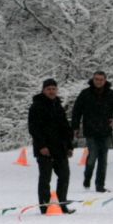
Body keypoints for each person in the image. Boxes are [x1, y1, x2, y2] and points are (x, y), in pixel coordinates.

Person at [71, 70, 113, 193]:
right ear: (93, 80)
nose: (99, 82)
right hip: (90, 130)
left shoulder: (111, 94)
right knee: (92, 157)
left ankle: (100, 185)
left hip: (106, 130)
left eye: (101, 79)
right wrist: (75, 127)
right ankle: (87, 177)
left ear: (105, 81)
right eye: (96, 79)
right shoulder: (85, 94)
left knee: (103, 159)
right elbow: (76, 111)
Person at [28, 79, 75, 214]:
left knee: (64, 176)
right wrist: (42, 145)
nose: (51, 91)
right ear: (43, 90)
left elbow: (65, 128)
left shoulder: (58, 106)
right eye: (48, 89)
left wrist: (70, 146)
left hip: (60, 148)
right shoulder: (36, 106)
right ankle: (45, 206)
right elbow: (34, 128)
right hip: (44, 149)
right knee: (45, 178)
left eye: (54, 88)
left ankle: (61, 204)